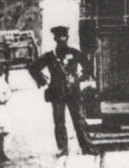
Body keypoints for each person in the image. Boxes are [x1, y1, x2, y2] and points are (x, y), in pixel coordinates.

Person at [29, 26, 95, 156]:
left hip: (73, 91)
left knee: (79, 120)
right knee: (59, 122)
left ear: (67, 38)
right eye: (59, 37)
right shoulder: (50, 56)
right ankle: (63, 149)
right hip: (57, 92)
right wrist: (44, 81)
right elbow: (33, 68)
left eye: (64, 37)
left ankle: (86, 147)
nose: (62, 40)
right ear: (55, 39)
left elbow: (88, 66)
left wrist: (79, 78)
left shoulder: (75, 53)